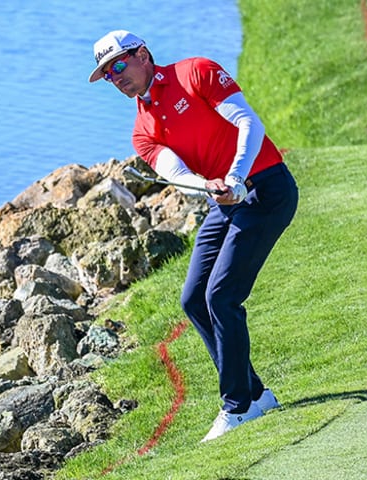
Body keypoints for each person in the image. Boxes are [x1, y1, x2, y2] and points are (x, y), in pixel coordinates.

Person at [89, 30, 299, 442]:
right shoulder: (142, 129)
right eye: (107, 75)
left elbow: (247, 122)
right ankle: (255, 395)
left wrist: (236, 176)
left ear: (143, 55)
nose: (116, 78)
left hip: (266, 189)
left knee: (221, 296)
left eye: (118, 65)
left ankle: (236, 406)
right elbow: (174, 171)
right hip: (224, 200)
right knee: (194, 298)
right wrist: (209, 185)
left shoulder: (195, 73)